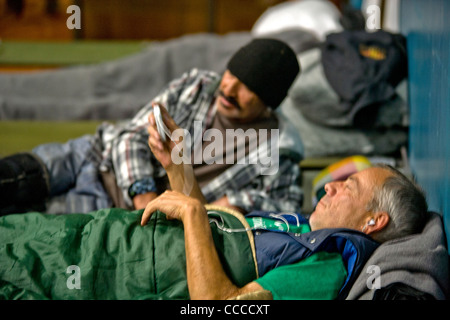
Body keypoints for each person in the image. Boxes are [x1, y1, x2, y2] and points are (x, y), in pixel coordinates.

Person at [0, 38, 303, 216]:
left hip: (109, 208)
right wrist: (144, 195)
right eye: (231, 73)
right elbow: (131, 135)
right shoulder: (197, 86)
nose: (229, 88)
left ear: (269, 102)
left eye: (248, 86)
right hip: (95, 155)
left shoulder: (277, 156)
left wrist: (230, 204)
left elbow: (281, 212)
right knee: (16, 177)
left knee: (22, 222)